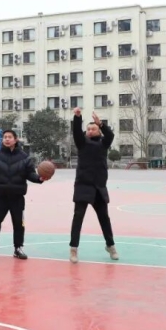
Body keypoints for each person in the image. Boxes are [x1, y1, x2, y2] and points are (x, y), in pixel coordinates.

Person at [0, 130, 46, 260]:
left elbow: (30, 174)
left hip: (17, 196)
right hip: (0, 196)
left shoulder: (24, 157)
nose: (7, 139)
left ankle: (18, 248)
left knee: (18, 224)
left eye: (9, 137)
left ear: (15, 140)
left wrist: (39, 178)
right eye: (5, 137)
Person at [68, 107, 118, 264]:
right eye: (88, 129)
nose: (90, 131)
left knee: (104, 218)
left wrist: (101, 123)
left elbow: (110, 135)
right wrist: (77, 117)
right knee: (78, 218)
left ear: (98, 131)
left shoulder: (104, 144)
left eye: (93, 128)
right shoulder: (82, 143)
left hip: (99, 188)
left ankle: (110, 246)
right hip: (83, 186)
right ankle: (73, 249)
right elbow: (76, 132)